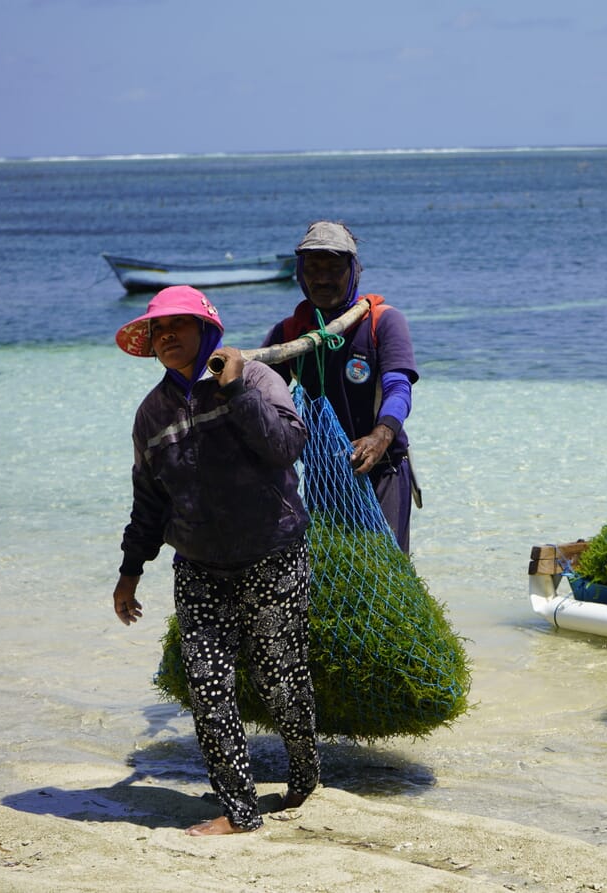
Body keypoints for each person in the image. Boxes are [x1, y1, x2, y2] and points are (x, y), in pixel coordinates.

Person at [110, 285, 319, 837]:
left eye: (178, 325)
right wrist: (129, 574)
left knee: (282, 682)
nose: (166, 336)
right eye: (157, 329)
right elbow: (150, 501)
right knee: (207, 685)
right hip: (200, 567)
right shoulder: (151, 414)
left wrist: (233, 394)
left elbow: (285, 449)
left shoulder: (255, 379)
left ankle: (305, 772)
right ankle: (240, 810)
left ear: (208, 331)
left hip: (272, 554)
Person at [261, 221, 421, 552]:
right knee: (327, 568)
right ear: (300, 273)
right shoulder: (290, 333)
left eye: (334, 268)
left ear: (353, 271)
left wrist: (381, 435)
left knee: (385, 569)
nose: (322, 279)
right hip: (323, 477)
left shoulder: (382, 322)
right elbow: (262, 401)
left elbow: (398, 389)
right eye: (313, 268)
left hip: (382, 468)